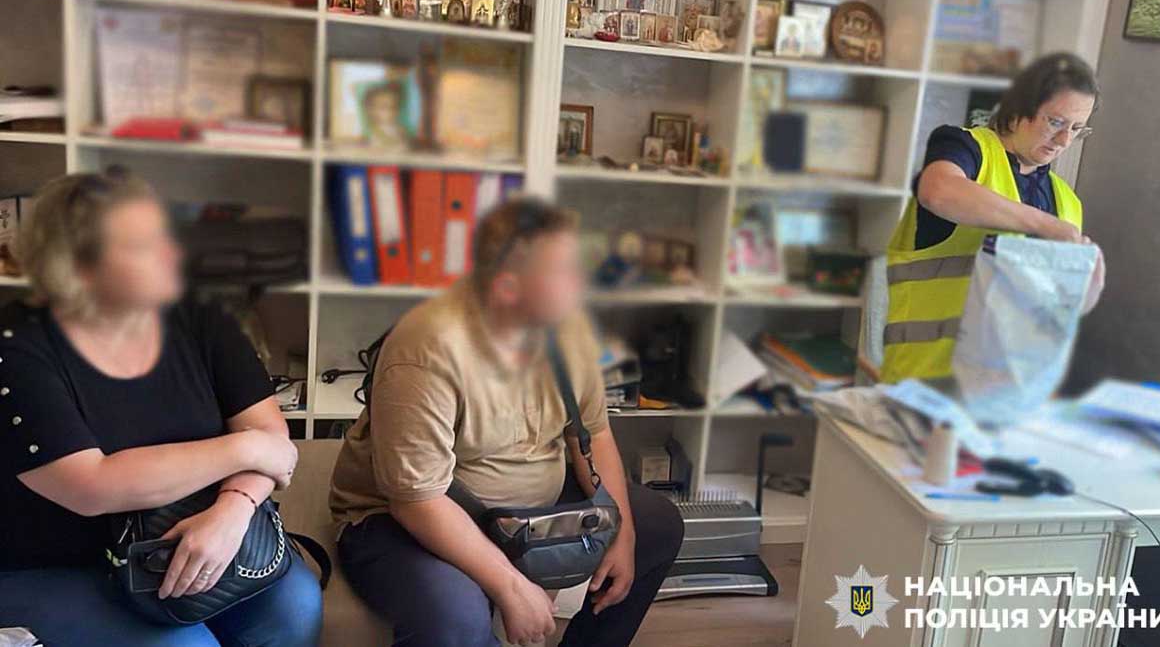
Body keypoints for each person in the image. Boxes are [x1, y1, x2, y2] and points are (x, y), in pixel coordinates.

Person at [329, 199, 684, 647]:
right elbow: (417, 500)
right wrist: (511, 586)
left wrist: (622, 532)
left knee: (656, 524)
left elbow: (593, 435)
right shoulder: (426, 350)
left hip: (523, 508)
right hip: (407, 516)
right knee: (454, 616)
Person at [0, 168, 322, 646]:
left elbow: (269, 431)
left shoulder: (201, 315)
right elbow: (91, 486)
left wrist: (233, 510)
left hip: (205, 531)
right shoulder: (17, 346)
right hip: (61, 564)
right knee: (187, 645)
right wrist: (246, 449)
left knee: (296, 607)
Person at [881, 52, 1107, 382]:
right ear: (1020, 107)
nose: (1064, 141)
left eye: (1076, 129)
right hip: (927, 383)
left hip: (1009, 389)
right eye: (1056, 122)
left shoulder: (1068, 203)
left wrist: (1083, 287)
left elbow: (1052, 314)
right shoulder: (965, 149)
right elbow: (938, 191)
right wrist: (1044, 225)